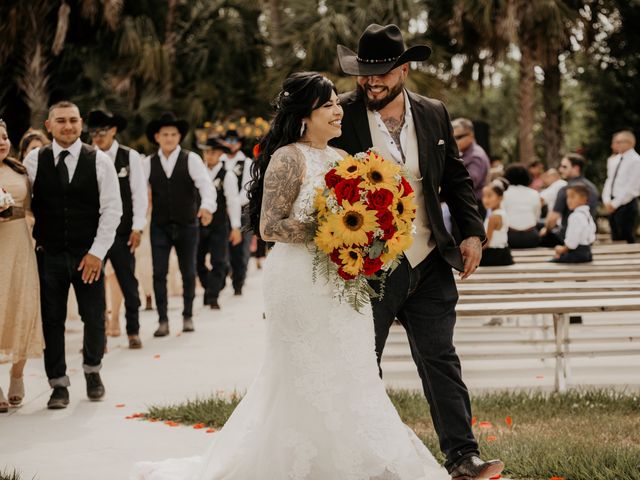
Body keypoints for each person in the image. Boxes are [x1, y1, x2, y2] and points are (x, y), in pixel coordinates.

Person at [132, 69, 454, 480]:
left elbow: (363, 218)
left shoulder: (344, 160)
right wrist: (329, 227)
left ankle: (360, 455)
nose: (340, 111)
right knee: (304, 370)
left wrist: (369, 235)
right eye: (329, 106)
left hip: (343, 280)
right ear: (305, 115)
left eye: (338, 104)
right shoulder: (288, 157)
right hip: (299, 282)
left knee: (353, 366)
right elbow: (268, 226)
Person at [332, 24, 503, 479]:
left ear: (404, 70)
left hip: (429, 261)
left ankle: (463, 457)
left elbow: (455, 177)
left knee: (440, 358)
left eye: (381, 73)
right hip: (368, 267)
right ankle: (364, 458)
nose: (371, 82)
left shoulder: (433, 112)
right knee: (363, 364)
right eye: (363, 74)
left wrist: (472, 232)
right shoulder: (339, 115)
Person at [23, 101, 122, 409]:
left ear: (82, 125)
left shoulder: (99, 161)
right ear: (48, 126)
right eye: (61, 121)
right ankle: (58, 385)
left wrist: (96, 253)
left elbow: (112, 210)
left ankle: (93, 372)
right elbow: (20, 200)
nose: (68, 126)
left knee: (93, 316)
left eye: (73, 120)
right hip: (48, 254)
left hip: (87, 255)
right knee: (52, 321)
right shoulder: (33, 160)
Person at [143, 112, 216, 337]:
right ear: (157, 137)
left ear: (179, 136)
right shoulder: (147, 163)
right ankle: (162, 320)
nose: (169, 138)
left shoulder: (190, 159)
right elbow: (138, 192)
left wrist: (207, 207)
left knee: (188, 271)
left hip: (187, 224)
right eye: (165, 134)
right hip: (160, 225)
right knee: (159, 273)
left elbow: (206, 185)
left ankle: (187, 316)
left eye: (173, 134)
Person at [87, 110, 148, 349]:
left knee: (128, 283)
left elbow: (139, 194)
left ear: (113, 130)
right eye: (93, 133)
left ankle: (133, 330)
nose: (98, 137)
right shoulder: (87, 155)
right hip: (94, 233)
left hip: (123, 233)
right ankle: (97, 336)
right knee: (93, 287)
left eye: (102, 131)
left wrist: (138, 228)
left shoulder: (129, 157)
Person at [0, 120, 45, 412]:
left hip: (19, 245)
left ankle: (17, 374)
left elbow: (33, 210)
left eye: (4, 136)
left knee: (22, 305)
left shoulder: (20, 170)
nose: (2, 142)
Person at [196, 137, 242, 309]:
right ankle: (209, 286)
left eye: (213, 152)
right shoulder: (198, 172)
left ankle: (213, 295)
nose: (209, 155)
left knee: (218, 261)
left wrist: (236, 227)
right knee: (197, 261)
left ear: (221, 154)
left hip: (219, 224)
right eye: (207, 152)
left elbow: (233, 201)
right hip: (199, 225)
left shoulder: (227, 175)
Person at [540, 153, 599, 247]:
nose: (560, 169)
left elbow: (553, 219)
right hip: (586, 238)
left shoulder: (566, 189)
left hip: (566, 238)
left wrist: (545, 230)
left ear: (576, 168)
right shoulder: (592, 188)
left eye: (564, 167)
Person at [221, 129, 252, 295]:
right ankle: (223, 275)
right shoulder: (220, 160)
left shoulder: (246, 163)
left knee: (240, 250)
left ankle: (238, 282)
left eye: (234, 141)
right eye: (228, 140)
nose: (230, 144)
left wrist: (232, 204)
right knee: (221, 247)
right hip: (221, 213)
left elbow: (247, 189)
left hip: (241, 211)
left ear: (239, 144)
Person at [602, 130, 640, 243]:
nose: (615, 145)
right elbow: (609, 180)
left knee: (626, 237)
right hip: (612, 204)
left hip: (626, 204)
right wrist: (607, 200)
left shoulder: (636, 161)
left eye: (619, 142)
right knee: (615, 237)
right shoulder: (614, 160)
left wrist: (615, 204)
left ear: (629, 143)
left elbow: (632, 186)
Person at [452, 117, 490, 216]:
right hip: (465, 206)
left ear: (471, 135)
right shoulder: (463, 153)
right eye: (453, 137)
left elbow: (468, 184)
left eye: (459, 137)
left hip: (473, 207)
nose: (455, 141)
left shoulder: (476, 156)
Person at [552, 184, 596, 262]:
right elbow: (592, 233)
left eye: (572, 197)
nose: (569, 200)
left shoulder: (575, 216)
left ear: (583, 199)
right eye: (568, 197)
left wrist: (562, 249)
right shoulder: (587, 215)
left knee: (554, 260)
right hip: (587, 252)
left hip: (577, 253)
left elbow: (572, 241)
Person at [502, 164, 541, 248]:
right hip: (531, 238)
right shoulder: (535, 193)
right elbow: (537, 216)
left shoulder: (504, 194)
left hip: (509, 238)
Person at [480, 178, 513, 266]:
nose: (485, 200)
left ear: (500, 198)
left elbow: (487, 242)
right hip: (504, 253)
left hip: (493, 254)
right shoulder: (502, 213)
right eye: (484, 196)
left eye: (489, 196)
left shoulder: (494, 216)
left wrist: (475, 251)